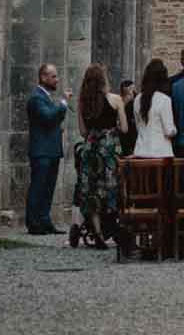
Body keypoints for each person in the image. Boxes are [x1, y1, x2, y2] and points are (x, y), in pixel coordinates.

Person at [70, 63, 127, 248]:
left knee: (91, 191)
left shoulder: (82, 102)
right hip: (108, 150)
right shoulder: (116, 100)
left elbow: (83, 132)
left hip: (90, 149)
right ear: (104, 80)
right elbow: (125, 128)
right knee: (111, 188)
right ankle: (112, 223)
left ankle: (98, 232)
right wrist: (113, 129)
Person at [25, 63, 73, 235]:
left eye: (56, 76)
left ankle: (45, 221)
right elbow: (47, 117)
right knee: (38, 187)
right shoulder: (36, 98)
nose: (57, 79)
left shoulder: (46, 97)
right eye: (53, 76)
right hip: (41, 151)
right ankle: (33, 223)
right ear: (43, 77)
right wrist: (63, 104)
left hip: (51, 150)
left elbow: (51, 121)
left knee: (48, 189)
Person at [132, 58, 178, 159]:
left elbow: (138, 127)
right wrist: (176, 128)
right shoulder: (164, 99)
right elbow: (169, 131)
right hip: (161, 153)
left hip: (140, 151)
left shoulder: (137, 99)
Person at [118, 79, 139, 156]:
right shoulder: (119, 103)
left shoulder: (137, 102)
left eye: (133, 91)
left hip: (135, 139)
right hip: (124, 140)